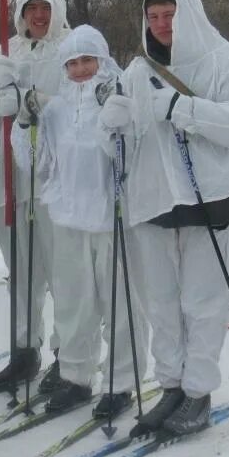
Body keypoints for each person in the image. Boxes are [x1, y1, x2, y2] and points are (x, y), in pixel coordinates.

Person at [98, 0, 229, 437]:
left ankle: (198, 392)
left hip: (208, 196)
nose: (161, 25)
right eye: (153, 17)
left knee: (202, 301)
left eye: (169, 15)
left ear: (187, 12)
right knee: (161, 302)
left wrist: (183, 108)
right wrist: (111, 127)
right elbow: (129, 142)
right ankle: (170, 384)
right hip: (153, 199)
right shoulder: (136, 69)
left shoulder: (222, 60)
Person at [34, 25, 149, 418]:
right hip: (68, 216)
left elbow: (131, 156)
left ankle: (120, 382)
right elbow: (39, 163)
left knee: (118, 302)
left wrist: (111, 120)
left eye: (87, 61)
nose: (81, 69)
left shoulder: (119, 97)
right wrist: (22, 126)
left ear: (102, 60)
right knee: (72, 303)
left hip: (111, 214)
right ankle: (76, 375)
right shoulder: (56, 109)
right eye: (73, 63)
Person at [0, 0, 72, 393]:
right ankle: (23, 349)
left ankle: (68, 354)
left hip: (53, 180)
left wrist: (38, 103)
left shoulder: (70, 47)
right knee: (22, 273)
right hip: (13, 181)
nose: (38, 16)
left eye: (45, 8)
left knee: (61, 273)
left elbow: (78, 107)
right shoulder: (5, 51)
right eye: (31, 8)